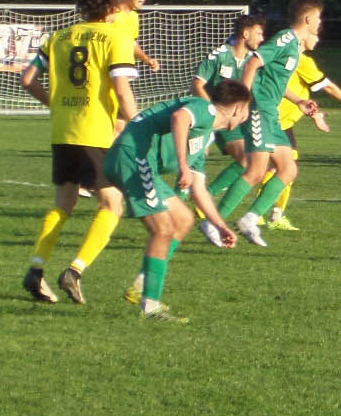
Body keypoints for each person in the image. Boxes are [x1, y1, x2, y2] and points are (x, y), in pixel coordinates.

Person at [19, 0, 141, 304]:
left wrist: (55, 104)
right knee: (112, 204)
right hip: (95, 132)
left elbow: (27, 79)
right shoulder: (116, 37)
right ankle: (74, 270)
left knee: (63, 204)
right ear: (113, 7)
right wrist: (139, 124)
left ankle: (36, 269)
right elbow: (122, 90)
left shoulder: (58, 37)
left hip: (62, 131)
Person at [105, 78, 249, 322]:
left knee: (183, 219)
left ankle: (142, 283)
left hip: (140, 162)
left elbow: (199, 189)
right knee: (163, 229)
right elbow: (180, 117)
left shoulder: (204, 134)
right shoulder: (205, 108)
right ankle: (150, 306)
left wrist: (220, 225)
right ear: (237, 109)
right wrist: (182, 165)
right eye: (246, 110)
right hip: (133, 157)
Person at [214, 0, 323, 248]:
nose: (320, 23)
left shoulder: (295, 46)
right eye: (318, 18)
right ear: (308, 19)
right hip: (259, 109)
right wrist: (242, 101)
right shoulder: (286, 38)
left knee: (288, 169)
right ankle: (214, 221)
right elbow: (253, 62)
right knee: (255, 171)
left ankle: (250, 219)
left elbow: (275, 81)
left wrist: (299, 101)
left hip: (271, 113)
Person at [259, 48, 341, 231]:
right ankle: (261, 214)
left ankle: (271, 215)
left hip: (277, 119)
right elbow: (326, 85)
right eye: (314, 34)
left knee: (281, 167)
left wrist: (315, 114)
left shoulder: (280, 55)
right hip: (277, 120)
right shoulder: (300, 60)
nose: (316, 39)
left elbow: (296, 93)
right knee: (283, 167)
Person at [193, 11, 265, 171]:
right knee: (196, 161)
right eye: (259, 33)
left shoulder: (252, 61)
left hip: (234, 119)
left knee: (251, 161)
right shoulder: (220, 55)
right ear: (246, 34)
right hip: (211, 116)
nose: (262, 38)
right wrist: (213, 112)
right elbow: (197, 85)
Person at [110, 0, 163, 74]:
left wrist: (146, 59)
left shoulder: (134, 16)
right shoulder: (110, 14)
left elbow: (132, 44)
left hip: (125, 70)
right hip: (107, 71)